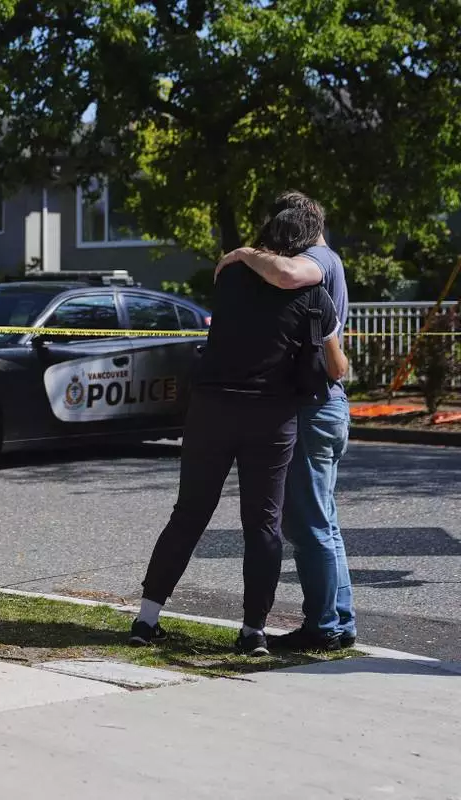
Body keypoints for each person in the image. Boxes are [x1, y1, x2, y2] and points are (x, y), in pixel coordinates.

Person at [129, 204, 350, 656]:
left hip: (211, 407)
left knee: (188, 513)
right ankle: (253, 632)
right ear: (301, 247)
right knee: (263, 524)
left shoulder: (229, 276)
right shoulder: (314, 296)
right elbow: (336, 367)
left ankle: (146, 619)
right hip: (271, 416)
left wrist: (244, 254)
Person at [217, 191, 355, 651]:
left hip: (313, 408)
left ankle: (323, 627)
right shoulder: (327, 261)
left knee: (308, 524)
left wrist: (243, 254)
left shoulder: (317, 260)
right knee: (323, 521)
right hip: (325, 405)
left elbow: (289, 274)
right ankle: (339, 620)